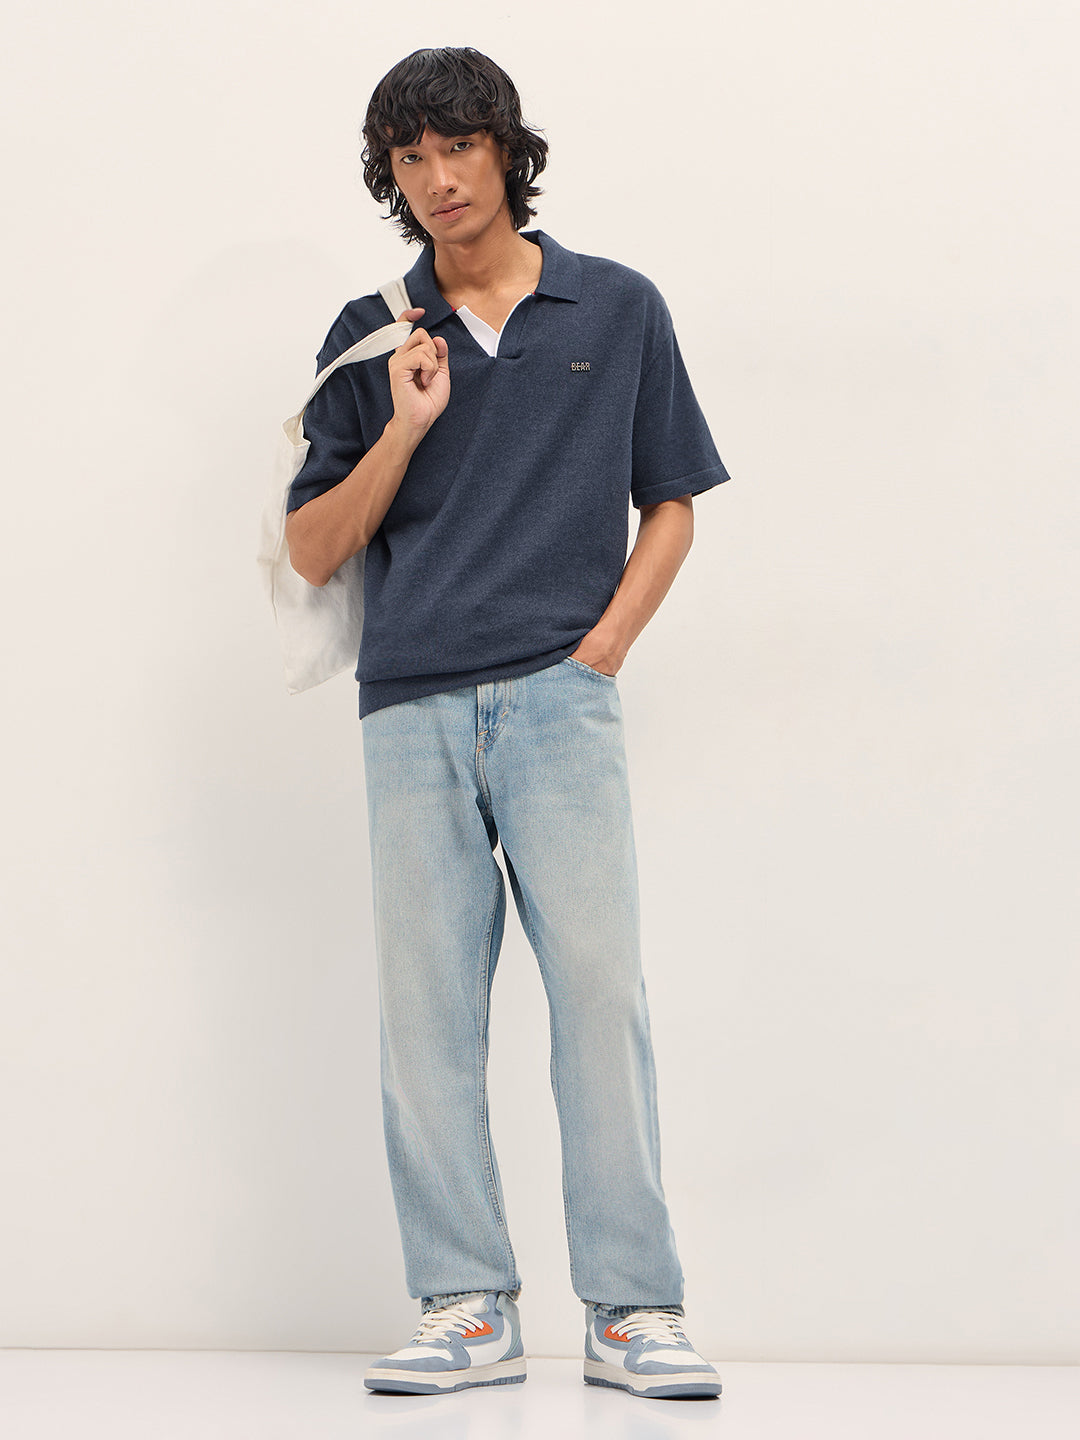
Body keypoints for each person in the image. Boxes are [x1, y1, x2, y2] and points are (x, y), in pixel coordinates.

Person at [284, 46, 730, 1400]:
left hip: (558, 700)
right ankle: (465, 1304)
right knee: (426, 1017)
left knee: (601, 999)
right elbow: (313, 550)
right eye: (410, 159)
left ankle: (632, 1309)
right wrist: (404, 427)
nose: (438, 179)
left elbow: (672, 502)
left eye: (458, 147)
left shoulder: (618, 305)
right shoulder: (372, 333)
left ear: (506, 151)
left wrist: (601, 652)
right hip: (410, 708)